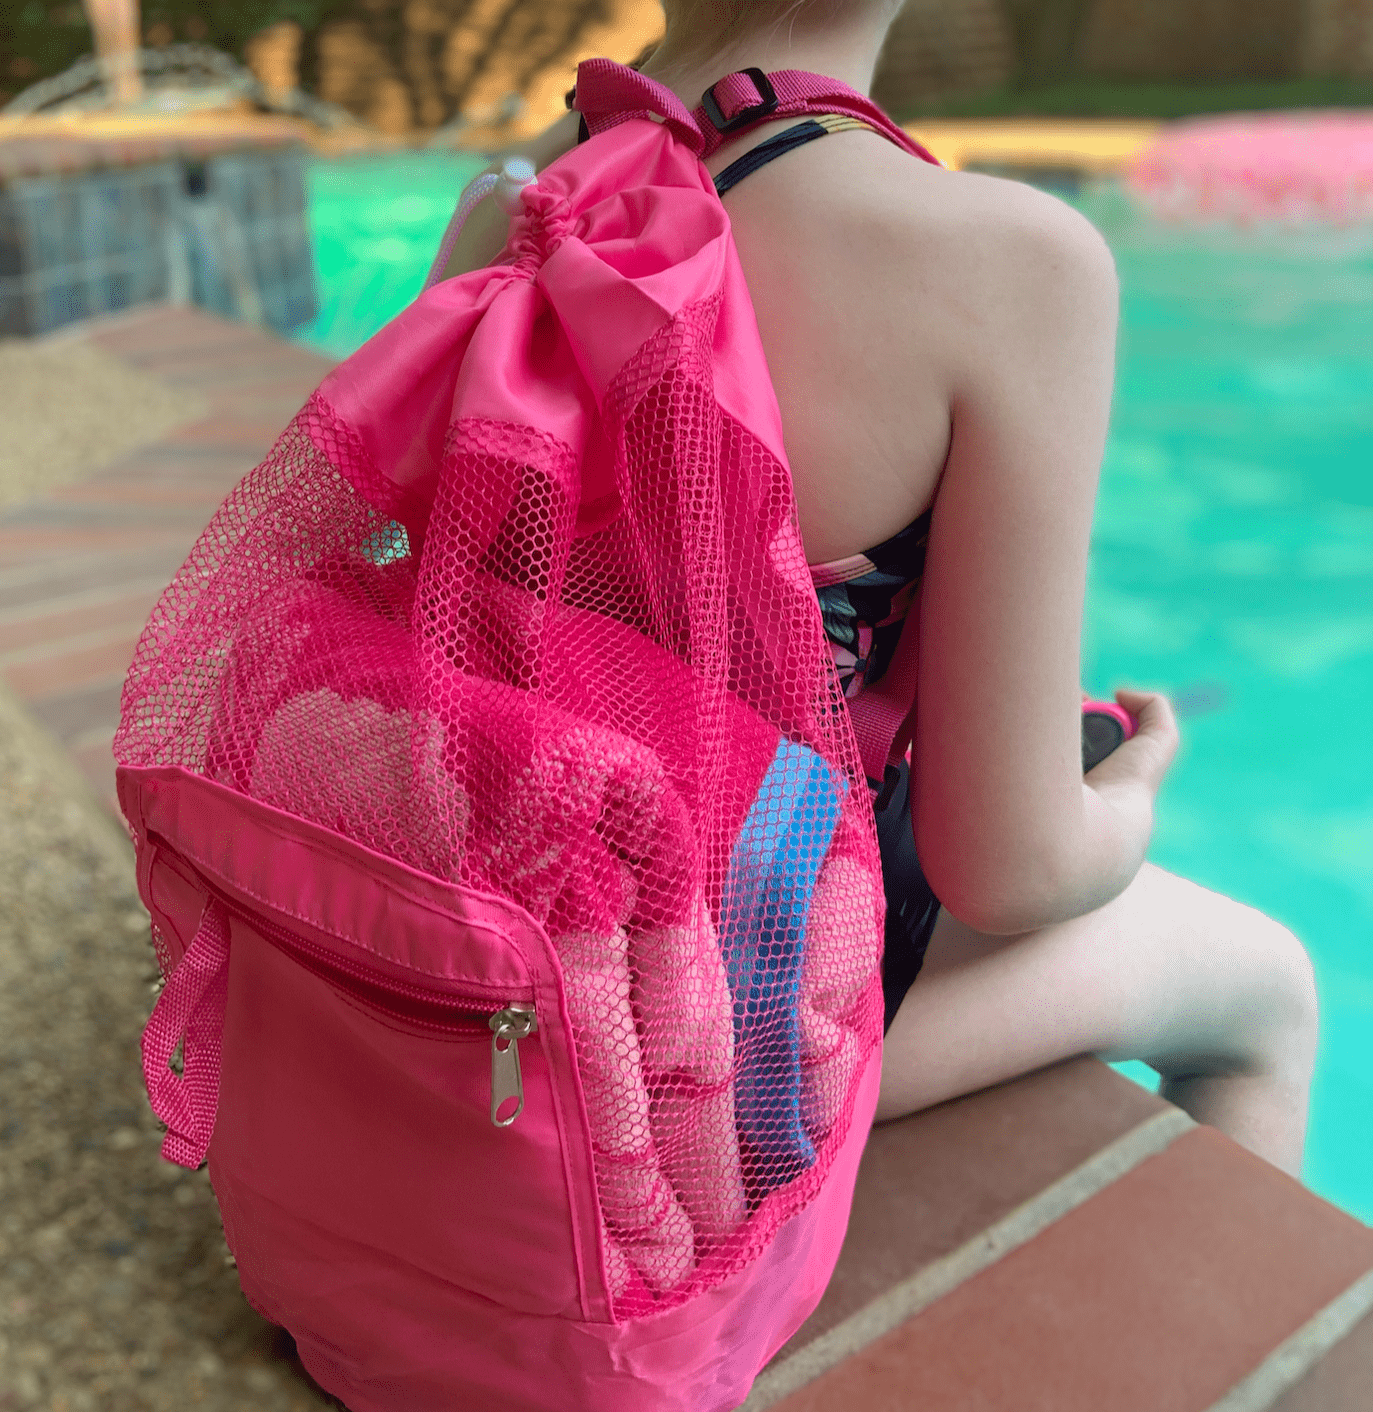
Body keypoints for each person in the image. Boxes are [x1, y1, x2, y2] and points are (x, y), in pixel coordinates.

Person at [442, 0, 1318, 1177]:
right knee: (1269, 989)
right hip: (714, 1059)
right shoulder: (1008, 260)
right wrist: (1138, 788)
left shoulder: (512, 196)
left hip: (475, 974)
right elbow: (1008, 871)